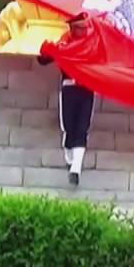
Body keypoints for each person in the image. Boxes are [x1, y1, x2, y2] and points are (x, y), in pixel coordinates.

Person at [37, 13, 95, 186]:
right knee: (69, 127)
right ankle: (70, 159)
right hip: (69, 89)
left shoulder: (92, 44)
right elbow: (44, 59)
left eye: (84, 27)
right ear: (72, 28)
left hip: (86, 88)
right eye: (79, 28)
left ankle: (76, 168)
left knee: (82, 127)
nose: (82, 31)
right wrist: (48, 51)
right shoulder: (65, 44)